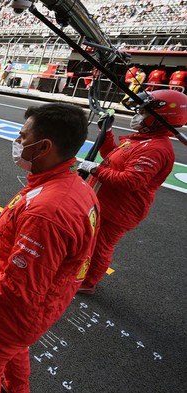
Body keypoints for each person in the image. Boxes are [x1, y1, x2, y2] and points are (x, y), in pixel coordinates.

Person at [0, 103, 99, 392]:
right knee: (15, 351)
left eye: (23, 136)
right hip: (33, 313)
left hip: (7, 316)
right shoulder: (75, 187)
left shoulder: (47, 211)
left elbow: (17, 291)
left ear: (44, 147)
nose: (17, 141)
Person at [76, 89, 187, 294]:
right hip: (104, 203)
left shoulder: (156, 149)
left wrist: (94, 169)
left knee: (99, 247)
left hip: (119, 210)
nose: (137, 115)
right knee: (88, 241)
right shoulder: (141, 140)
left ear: (159, 118)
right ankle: (77, 272)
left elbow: (130, 181)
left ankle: (88, 283)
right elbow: (112, 156)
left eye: (143, 112)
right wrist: (106, 133)